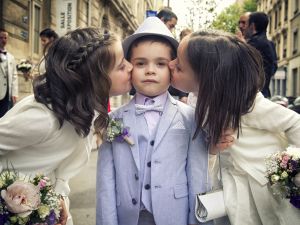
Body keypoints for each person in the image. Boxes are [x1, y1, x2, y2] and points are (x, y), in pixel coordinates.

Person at [0, 27, 133, 225]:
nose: (131, 67)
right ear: (94, 79)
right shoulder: (44, 120)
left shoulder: (85, 111)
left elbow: (60, 166)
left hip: (50, 208)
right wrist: (13, 196)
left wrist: (59, 195)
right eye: (121, 66)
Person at [169, 30, 300, 225]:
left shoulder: (247, 104)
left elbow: (294, 123)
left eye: (178, 66)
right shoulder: (196, 100)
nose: (170, 64)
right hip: (229, 183)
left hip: (263, 185)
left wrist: (292, 166)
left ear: (205, 78)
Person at [96, 17, 211, 225]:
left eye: (160, 63)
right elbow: (106, 183)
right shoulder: (113, 120)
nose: (150, 70)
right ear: (130, 68)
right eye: (141, 63)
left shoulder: (191, 117)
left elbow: (198, 178)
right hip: (129, 218)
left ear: (173, 69)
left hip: (174, 216)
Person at [244, 12, 278, 98]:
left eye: (246, 24)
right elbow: (274, 68)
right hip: (265, 94)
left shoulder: (251, 44)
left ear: (252, 26)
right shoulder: (271, 44)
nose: (244, 27)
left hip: (252, 96)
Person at [0, 28, 18, 118]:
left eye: (5, 38)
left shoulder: (11, 57)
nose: (3, 40)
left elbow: (14, 76)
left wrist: (14, 93)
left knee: (4, 117)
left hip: (7, 94)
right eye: (1, 38)